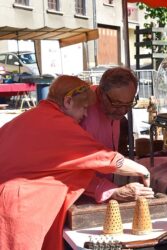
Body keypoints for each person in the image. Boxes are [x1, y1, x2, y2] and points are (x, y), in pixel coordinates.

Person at [0, 75, 152, 250]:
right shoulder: (57, 124)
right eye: (84, 108)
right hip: (22, 208)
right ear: (68, 101)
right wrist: (142, 170)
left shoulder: (34, 116)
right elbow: (101, 157)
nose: (86, 113)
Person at [81, 67, 154, 203]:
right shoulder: (81, 109)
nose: (122, 111)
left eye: (128, 104)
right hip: (78, 196)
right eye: (117, 104)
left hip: (101, 194)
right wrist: (111, 191)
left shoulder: (115, 111)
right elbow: (74, 165)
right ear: (101, 93)